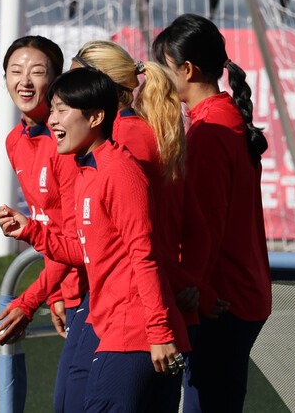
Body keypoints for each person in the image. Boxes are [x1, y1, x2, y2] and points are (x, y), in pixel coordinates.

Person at [0, 67, 190, 412]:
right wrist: (30, 230)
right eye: (52, 109)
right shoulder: (88, 170)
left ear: (97, 116)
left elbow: (142, 258)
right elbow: (86, 251)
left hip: (136, 335)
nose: (53, 119)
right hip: (124, 330)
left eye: (62, 110)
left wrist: (159, 333)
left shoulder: (119, 171)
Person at [153, 13, 272, 413]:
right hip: (239, 293)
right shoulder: (226, 118)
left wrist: (197, 293)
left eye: (164, 69)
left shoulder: (207, 133)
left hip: (222, 301)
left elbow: (207, 225)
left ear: (186, 69)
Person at [71, 40, 211, 327]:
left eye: (76, 82)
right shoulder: (151, 133)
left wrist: (186, 288)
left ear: (101, 86)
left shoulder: (120, 144)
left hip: (132, 308)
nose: (67, 94)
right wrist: (189, 287)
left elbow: (135, 244)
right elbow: (196, 231)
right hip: (158, 299)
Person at [0, 35, 92, 413]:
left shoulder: (67, 138)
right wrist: (57, 293)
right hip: (70, 285)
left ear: (58, 79)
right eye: (15, 71)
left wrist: (31, 301)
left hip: (98, 286)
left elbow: (74, 234)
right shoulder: (15, 140)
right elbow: (50, 225)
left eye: (37, 72)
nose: (25, 81)